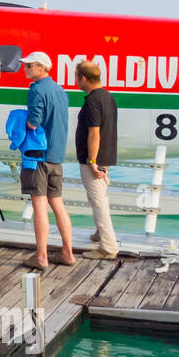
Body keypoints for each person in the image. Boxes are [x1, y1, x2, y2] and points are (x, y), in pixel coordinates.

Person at [20, 50, 76, 270]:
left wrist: (19, 126)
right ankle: (68, 253)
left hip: (38, 155)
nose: (26, 69)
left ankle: (41, 256)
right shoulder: (60, 90)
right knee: (58, 204)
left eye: (30, 65)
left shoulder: (36, 90)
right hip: (56, 156)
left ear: (42, 67)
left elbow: (34, 123)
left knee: (39, 205)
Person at [75, 60, 120, 259]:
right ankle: (100, 233)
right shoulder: (108, 96)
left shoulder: (92, 101)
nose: (76, 81)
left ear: (83, 78)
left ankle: (108, 248)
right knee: (100, 198)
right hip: (106, 156)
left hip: (94, 160)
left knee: (98, 201)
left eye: (76, 77)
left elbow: (94, 134)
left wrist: (91, 162)